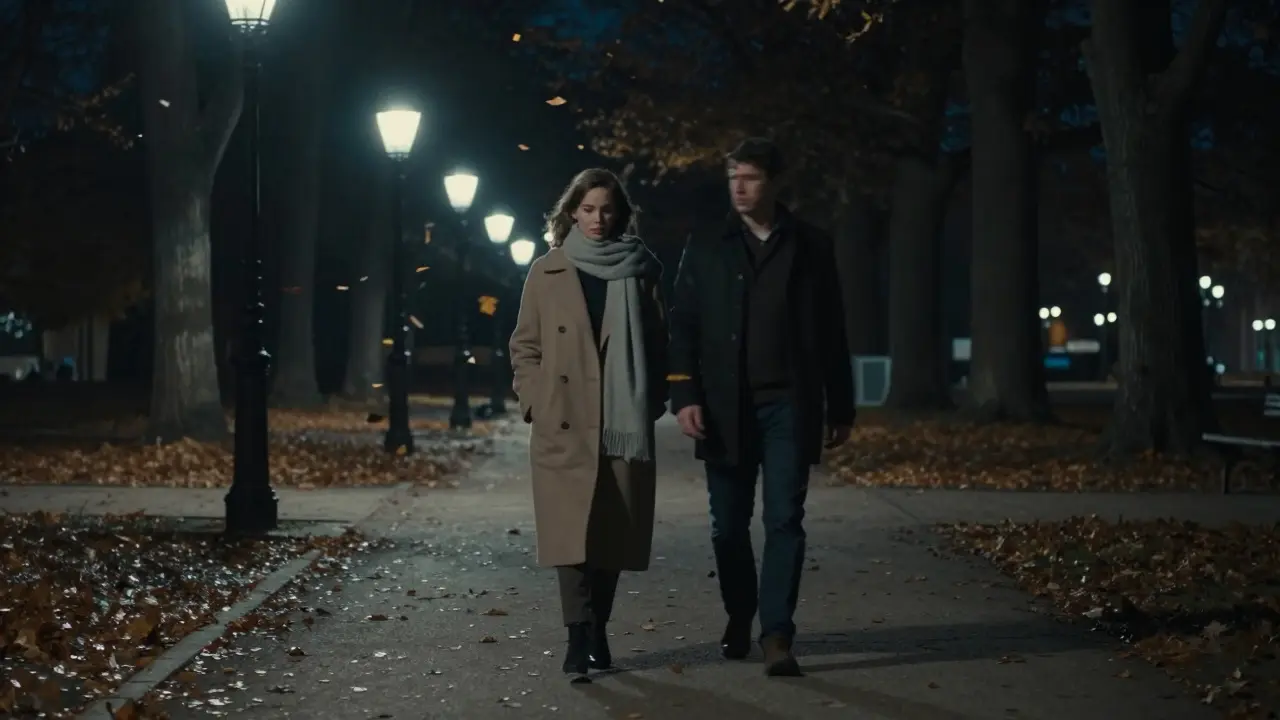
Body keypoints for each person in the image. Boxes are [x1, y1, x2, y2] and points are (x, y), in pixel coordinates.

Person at [667, 137, 855, 676]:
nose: (740, 189)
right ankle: (739, 613)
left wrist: (841, 407)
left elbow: (832, 330)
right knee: (727, 526)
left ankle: (777, 634)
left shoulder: (811, 245)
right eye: (732, 179)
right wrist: (685, 396)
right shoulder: (707, 244)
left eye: (749, 178)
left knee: (784, 520)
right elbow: (684, 324)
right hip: (725, 407)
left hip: (788, 405)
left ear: (773, 181)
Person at [508, 168, 669, 681]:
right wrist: (535, 399)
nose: (598, 219)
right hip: (564, 422)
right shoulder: (547, 271)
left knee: (611, 537)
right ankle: (578, 637)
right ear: (571, 212)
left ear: (620, 214)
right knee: (569, 536)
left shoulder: (641, 272)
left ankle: (598, 624)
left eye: (607, 210)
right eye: (588, 209)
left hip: (621, 421)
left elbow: (661, 342)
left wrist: (652, 399)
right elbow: (525, 346)